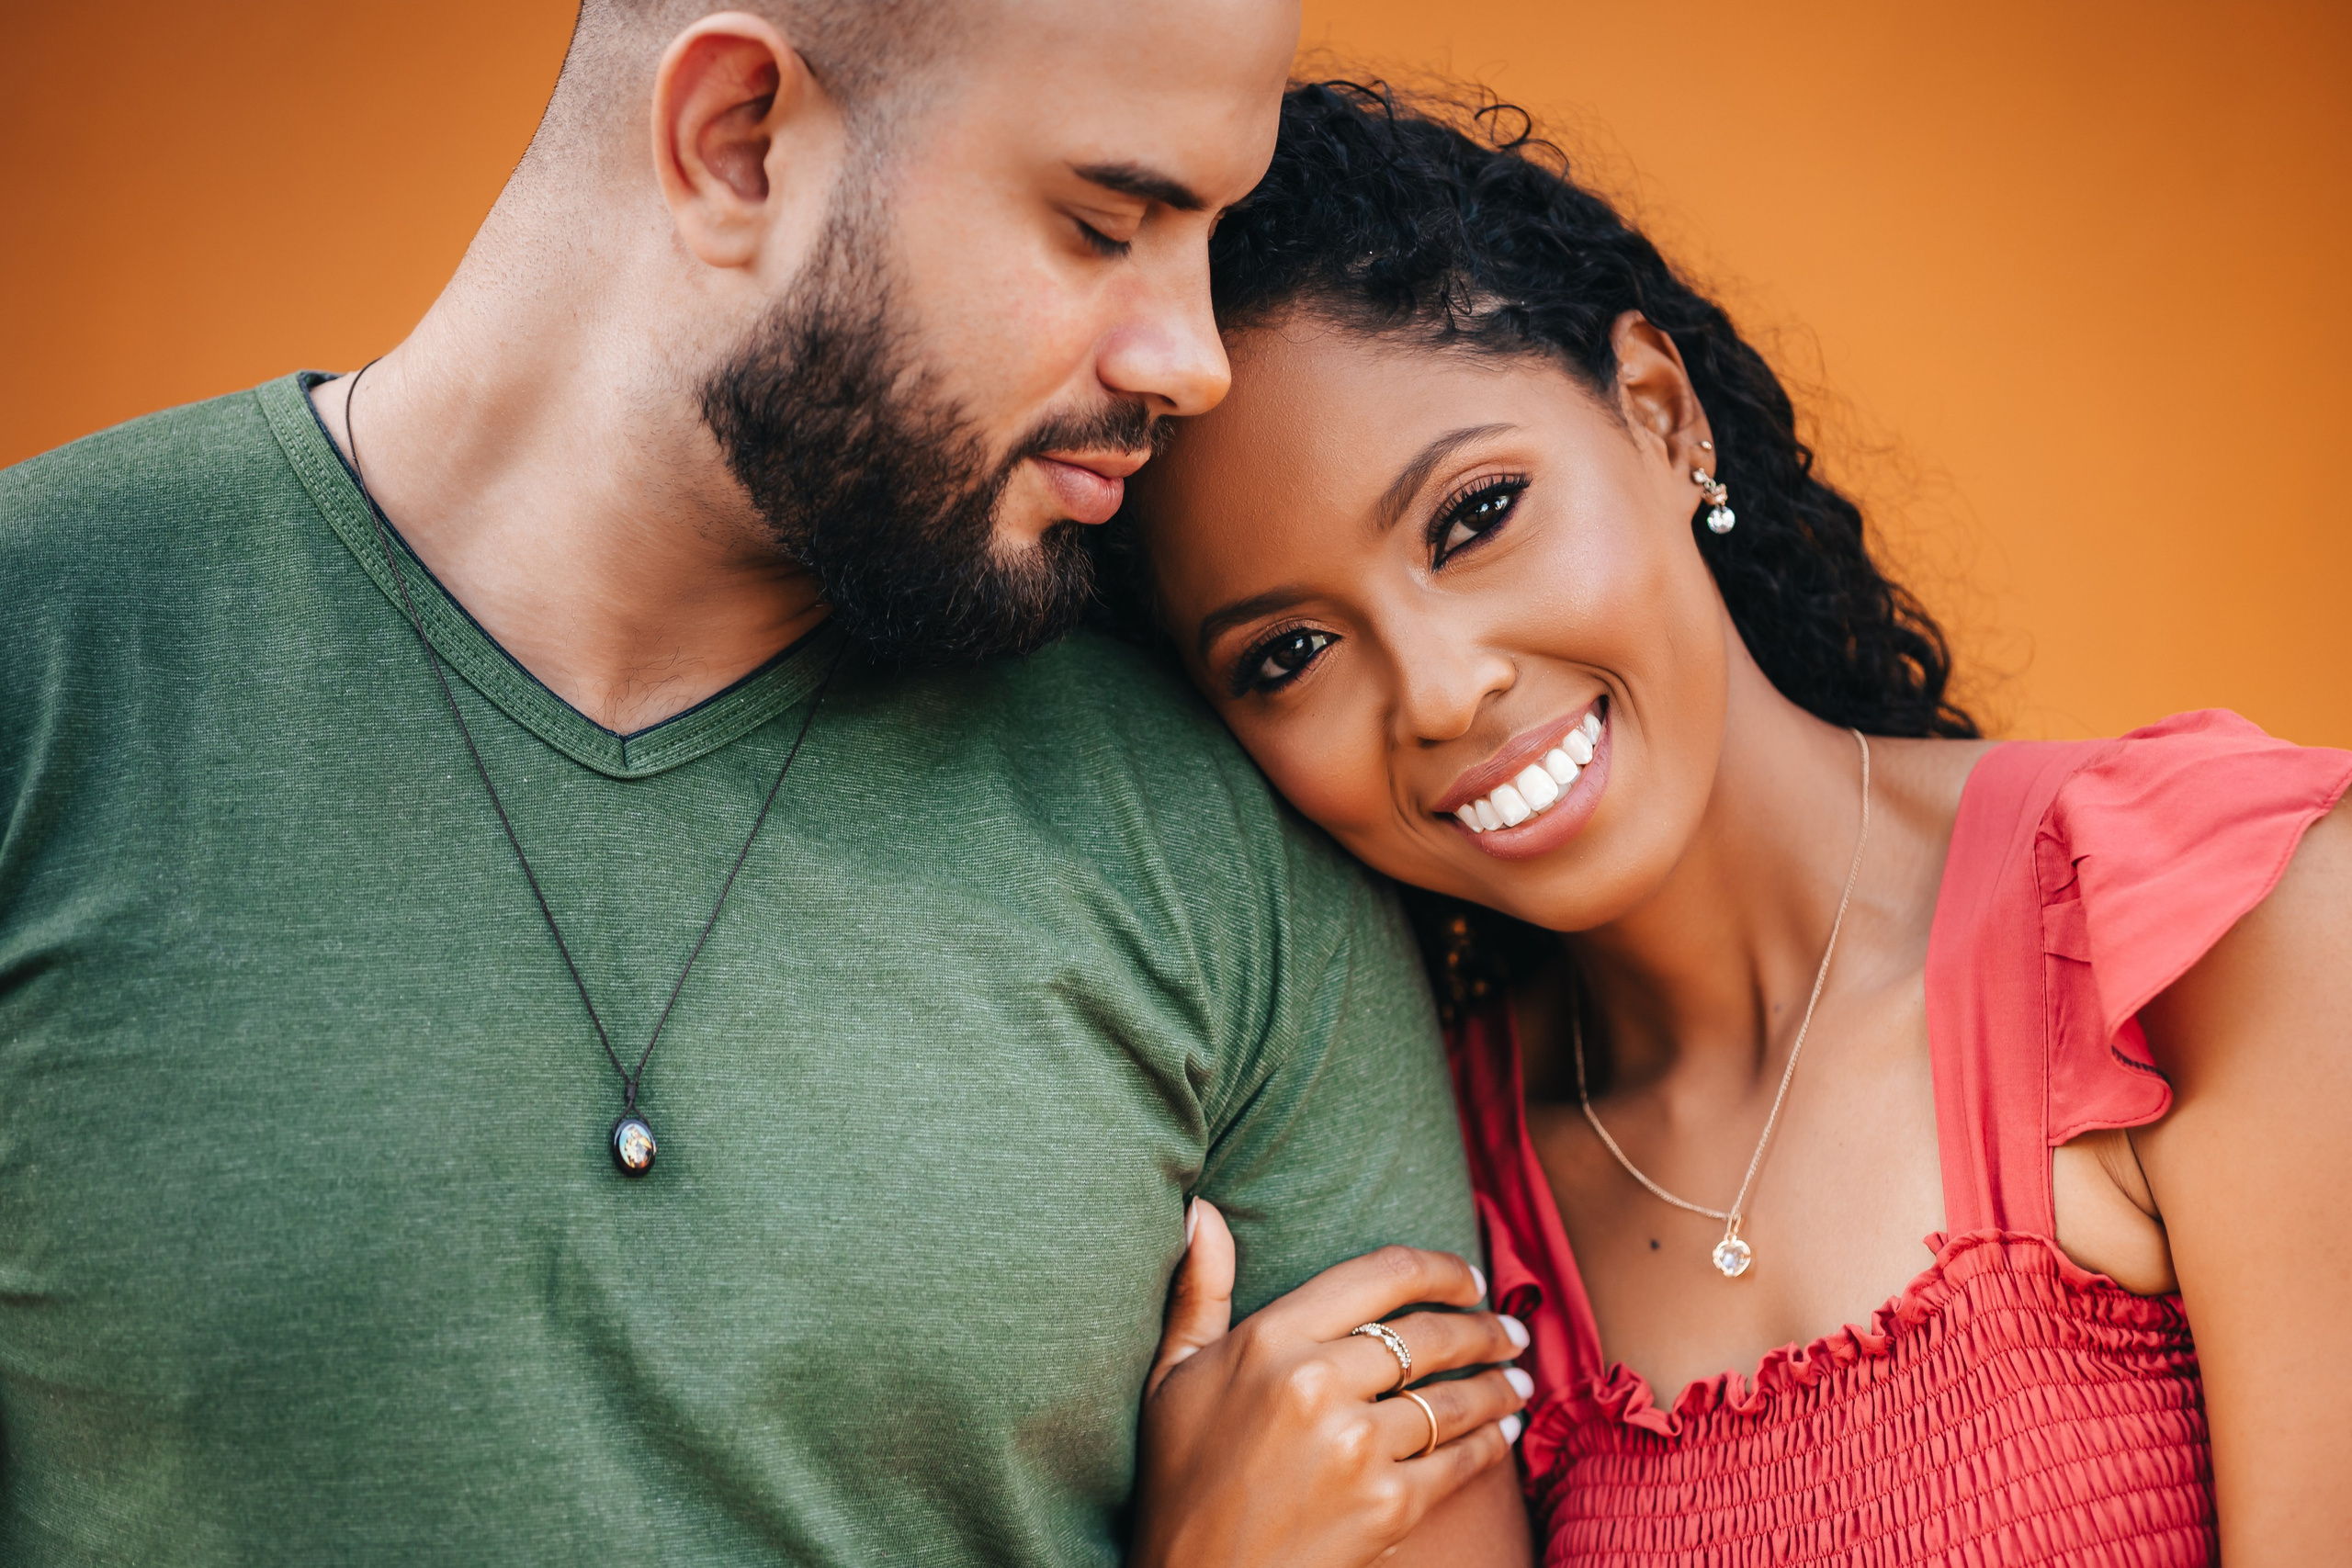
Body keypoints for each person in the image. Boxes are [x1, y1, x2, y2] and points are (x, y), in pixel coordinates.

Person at [0, 11, 1534, 1563]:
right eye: (1105, 225)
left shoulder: (1224, 818)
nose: (1191, 360)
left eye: (1209, 236)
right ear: (737, 137)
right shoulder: (41, 653)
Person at [1118, 82, 2352, 1565]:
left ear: (1659, 413)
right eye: (1289, 656)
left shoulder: (2206, 925)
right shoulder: (1433, 1213)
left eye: (1475, 515)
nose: (1441, 694)